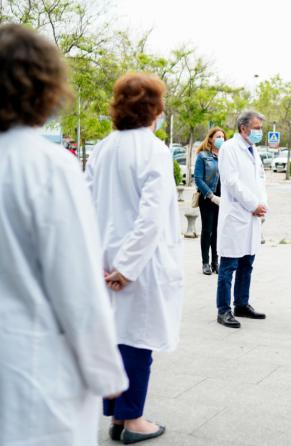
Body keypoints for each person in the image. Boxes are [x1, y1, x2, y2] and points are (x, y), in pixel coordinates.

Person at [0, 24, 128, 445]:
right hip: (33, 368)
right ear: (44, 85)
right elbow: (76, 284)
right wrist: (105, 370)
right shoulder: (47, 165)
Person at [86, 72, 184, 444]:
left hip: (106, 258)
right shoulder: (154, 149)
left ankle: (116, 414)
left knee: (114, 338)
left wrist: (101, 261)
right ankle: (133, 419)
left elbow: (88, 204)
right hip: (138, 263)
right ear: (154, 109)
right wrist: (128, 267)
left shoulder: (103, 147)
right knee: (137, 341)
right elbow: (151, 216)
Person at [215, 110, 268, 328]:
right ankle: (223, 309)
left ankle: (242, 304)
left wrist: (262, 205)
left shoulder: (253, 149)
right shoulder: (229, 149)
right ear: (243, 128)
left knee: (247, 262)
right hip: (237, 214)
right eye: (256, 128)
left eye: (260, 128)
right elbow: (232, 182)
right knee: (229, 265)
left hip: (252, 216)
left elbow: (261, 179)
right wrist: (252, 205)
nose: (259, 132)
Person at [194, 127, 224, 275]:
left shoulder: (225, 156)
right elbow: (198, 179)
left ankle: (215, 262)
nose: (221, 140)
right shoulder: (202, 156)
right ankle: (205, 262)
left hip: (223, 199)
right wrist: (211, 196)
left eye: (223, 137)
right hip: (208, 198)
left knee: (217, 231)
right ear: (211, 138)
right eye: (218, 136)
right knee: (207, 230)